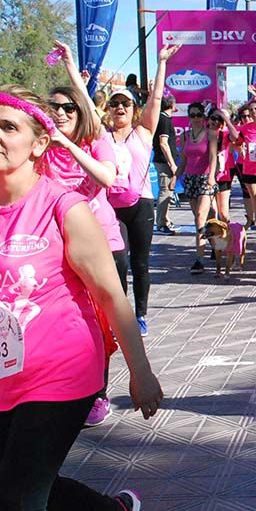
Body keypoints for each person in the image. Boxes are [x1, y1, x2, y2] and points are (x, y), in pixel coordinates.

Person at [0, 85, 163, 511]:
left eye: (8, 127)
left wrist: (140, 371)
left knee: (17, 501)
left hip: (62, 369)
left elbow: (109, 294)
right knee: (27, 484)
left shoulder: (64, 207)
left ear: (39, 143)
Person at [43, 42, 127, 428]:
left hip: (102, 246)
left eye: (67, 108)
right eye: (53, 108)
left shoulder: (98, 142)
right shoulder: (40, 148)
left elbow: (107, 178)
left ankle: (99, 393)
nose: (59, 114)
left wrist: (67, 146)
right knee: (64, 322)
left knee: (101, 323)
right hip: (56, 251)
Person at [106, 44, 181, 337]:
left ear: (134, 109)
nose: (120, 108)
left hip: (141, 205)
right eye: (114, 104)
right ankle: (120, 315)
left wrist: (161, 62)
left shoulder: (143, 132)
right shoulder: (102, 135)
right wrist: (73, 69)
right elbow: (84, 107)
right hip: (111, 206)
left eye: (125, 103)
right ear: (109, 110)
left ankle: (140, 315)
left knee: (139, 263)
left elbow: (157, 98)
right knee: (118, 261)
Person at [173, 102, 218, 274]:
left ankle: (199, 258)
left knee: (200, 217)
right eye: (192, 115)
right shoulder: (185, 136)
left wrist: (212, 176)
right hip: (191, 179)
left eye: (199, 114)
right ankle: (215, 244)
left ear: (204, 116)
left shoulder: (211, 134)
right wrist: (175, 176)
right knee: (204, 218)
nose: (196, 118)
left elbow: (213, 157)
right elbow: (184, 160)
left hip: (206, 178)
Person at [231, 99, 256, 251]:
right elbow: (236, 142)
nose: (254, 112)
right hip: (250, 170)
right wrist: (239, 149)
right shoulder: (245, 128)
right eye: (251, 110)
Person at [152, 95, 178, 234]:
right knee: (165, 190)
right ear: (171, 105)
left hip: (164, 160)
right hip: (163, 161)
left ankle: (165, 219)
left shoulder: (164, 119)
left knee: (169, 190)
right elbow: (163, 143)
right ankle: (161, 223)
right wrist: (171, 163)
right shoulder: (164, 120)